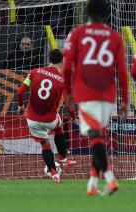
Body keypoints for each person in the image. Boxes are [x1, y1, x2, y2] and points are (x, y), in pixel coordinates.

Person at [63, 0, 129, 196]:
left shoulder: (77, 34)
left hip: (86, 93)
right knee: (97, 136)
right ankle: (92, 184)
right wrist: (125, 100)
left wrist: (67, 94)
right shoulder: (115, 37)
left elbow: (67, 68)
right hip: (108, 95)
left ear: (86, 14)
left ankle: (110, 179)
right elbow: (122, 71)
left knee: (95, 136)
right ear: (106, 14)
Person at [16, 49, 76, 183]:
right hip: (50, 120)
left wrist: (21, 107)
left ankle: (54, 173)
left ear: (48, 59)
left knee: (45, 145)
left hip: (32, 119)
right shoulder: (62, 80)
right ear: (62, 62)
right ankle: (64, 159)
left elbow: (20, 92)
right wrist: (73, 115)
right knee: (59, 126)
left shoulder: (34, 72)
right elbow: (68, 103)